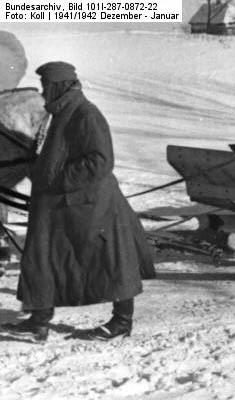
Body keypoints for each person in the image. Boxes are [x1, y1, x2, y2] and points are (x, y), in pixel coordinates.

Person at [1, 61, 155, 341]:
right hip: (61, 204)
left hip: (92, 205)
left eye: (46, 87)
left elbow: (100, 161)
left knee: (113, 260)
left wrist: (57, 178)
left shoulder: (86, 115)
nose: (43, 93)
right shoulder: (62, 114)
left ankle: (122, 321)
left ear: (59, 86)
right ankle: (39, 320)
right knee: (41, 256)